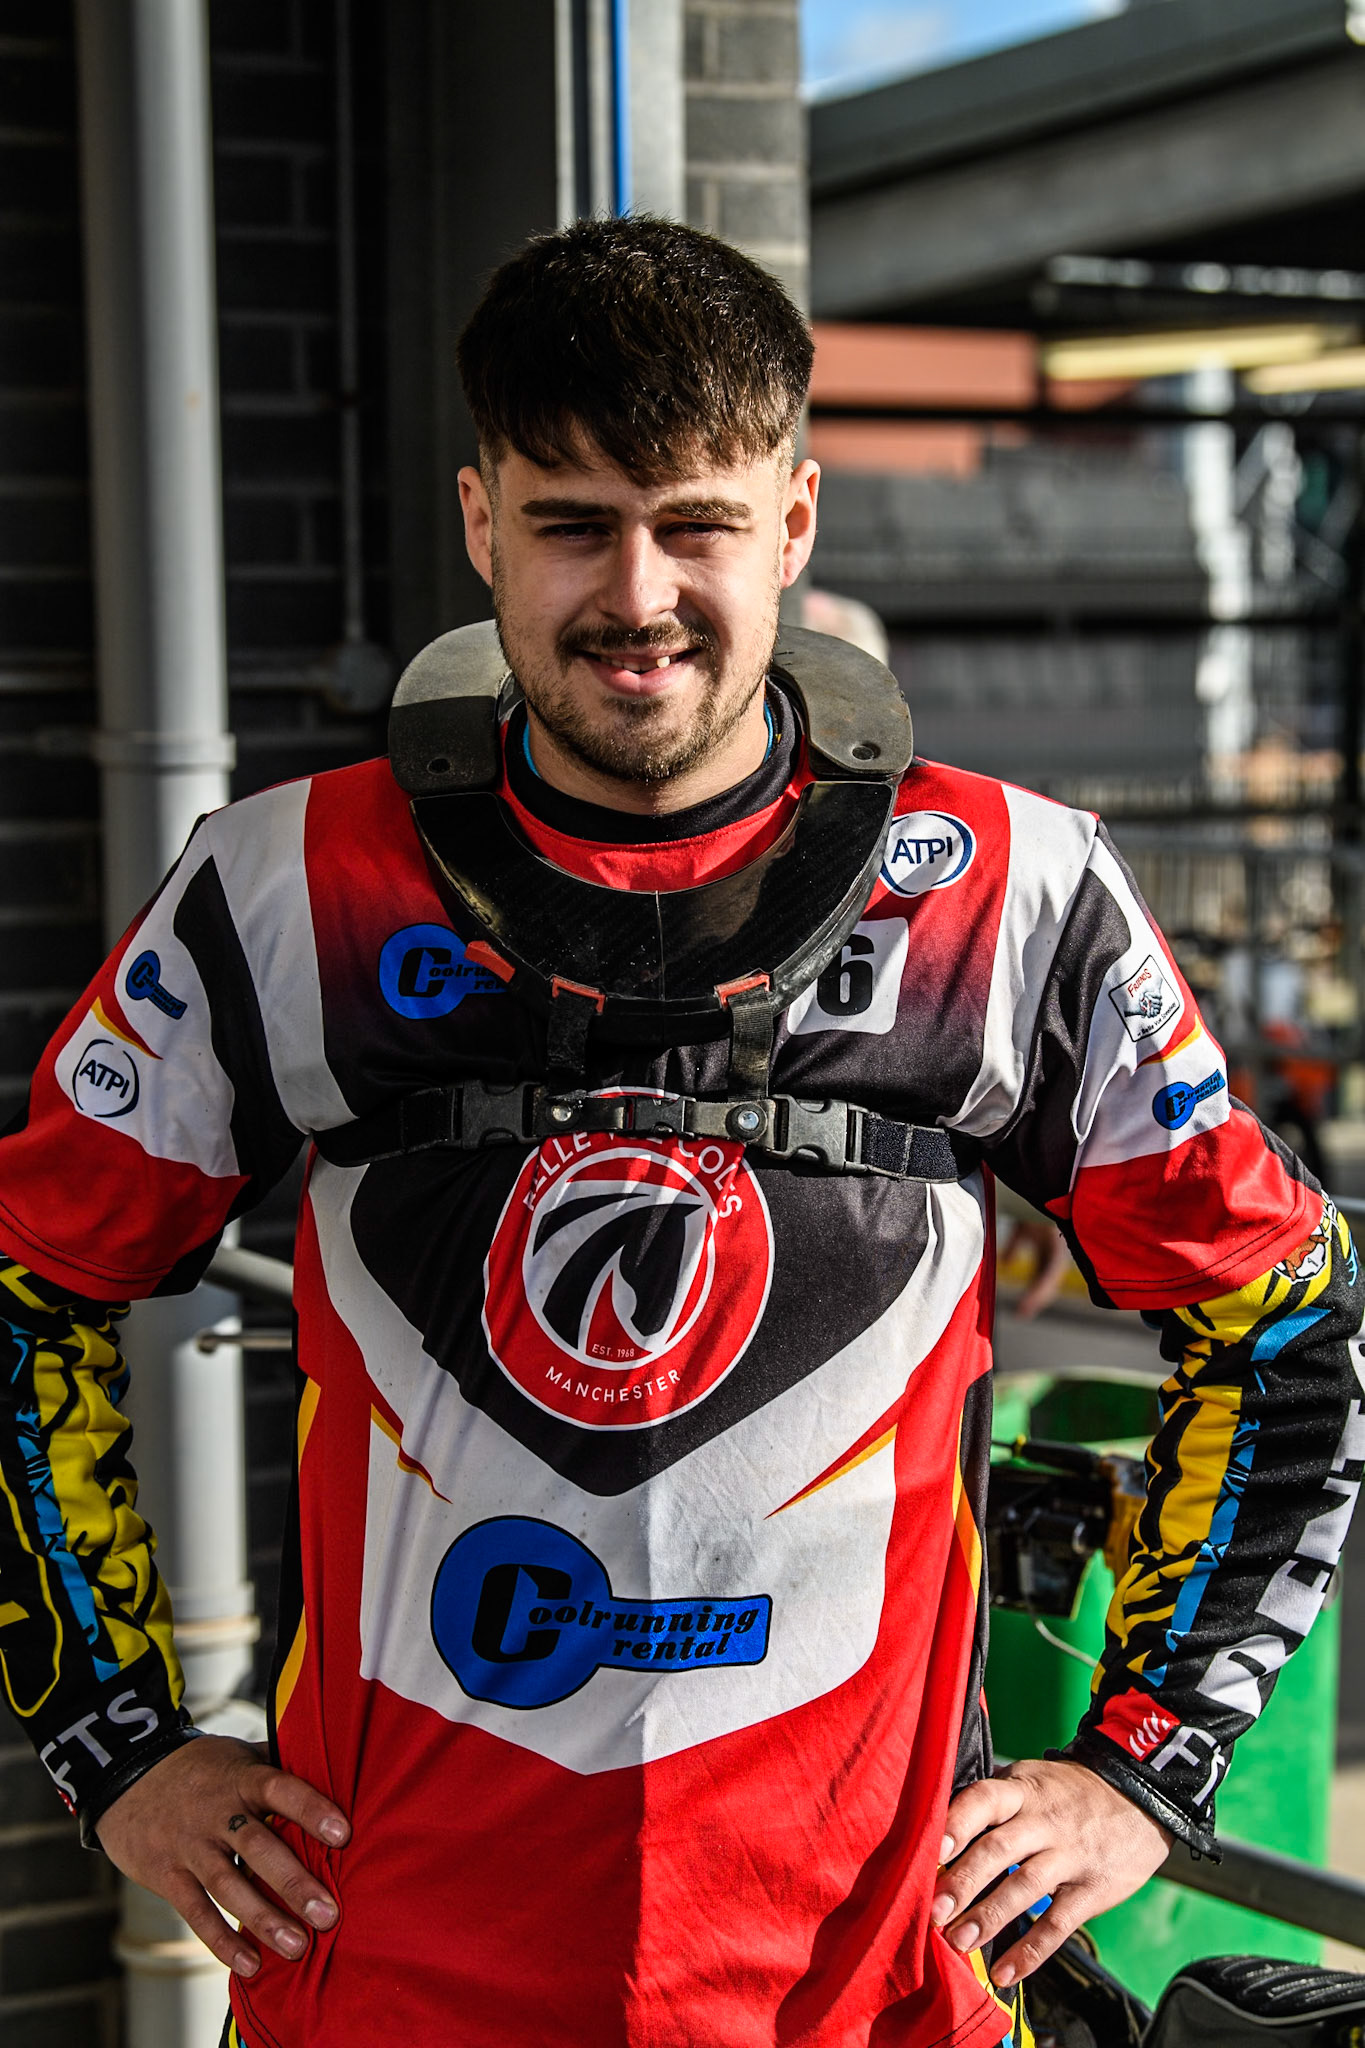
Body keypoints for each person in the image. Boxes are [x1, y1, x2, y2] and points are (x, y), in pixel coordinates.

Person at [0, 217, 1359, 2048]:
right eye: (571, 526)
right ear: (480, 525)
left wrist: (1142, 1772)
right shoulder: (285, 886)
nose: (636, 597)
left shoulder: (1009, 889)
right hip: (387, 1982)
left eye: (694, 525)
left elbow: (1279, 1318)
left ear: (792, 524)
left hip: (872, 1993)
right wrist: (122, 1756)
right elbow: (21, 1296)